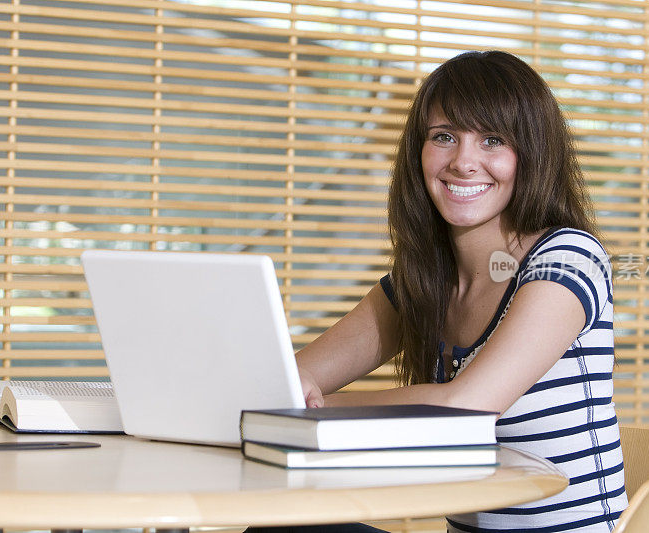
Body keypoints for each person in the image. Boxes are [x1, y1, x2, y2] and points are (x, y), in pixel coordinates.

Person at [251, 50, 627, 532]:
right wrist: (287, 394)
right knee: (283, 526)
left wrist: (313, 409)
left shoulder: (568, 258)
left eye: (493, 140)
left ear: (532, 154)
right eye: (444, 137)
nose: (463, 162)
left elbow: (465, 409)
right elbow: (290, 377)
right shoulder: (422, 283)